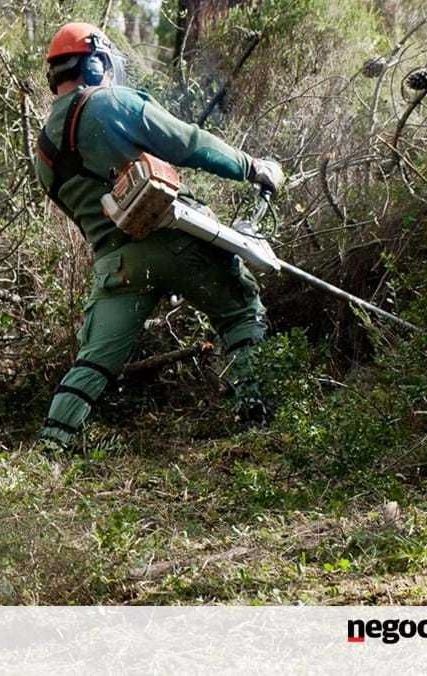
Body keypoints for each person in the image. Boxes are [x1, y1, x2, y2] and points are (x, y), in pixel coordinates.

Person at [34, 23, 285, 451]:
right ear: (96, 63)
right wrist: (251, 166)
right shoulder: (110, 103)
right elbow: (187, 142)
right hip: (178, 238)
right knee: (240, 311)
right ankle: (258, 421)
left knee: (94, 359)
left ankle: (53, 445)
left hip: (117, 264)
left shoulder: (43, 151)